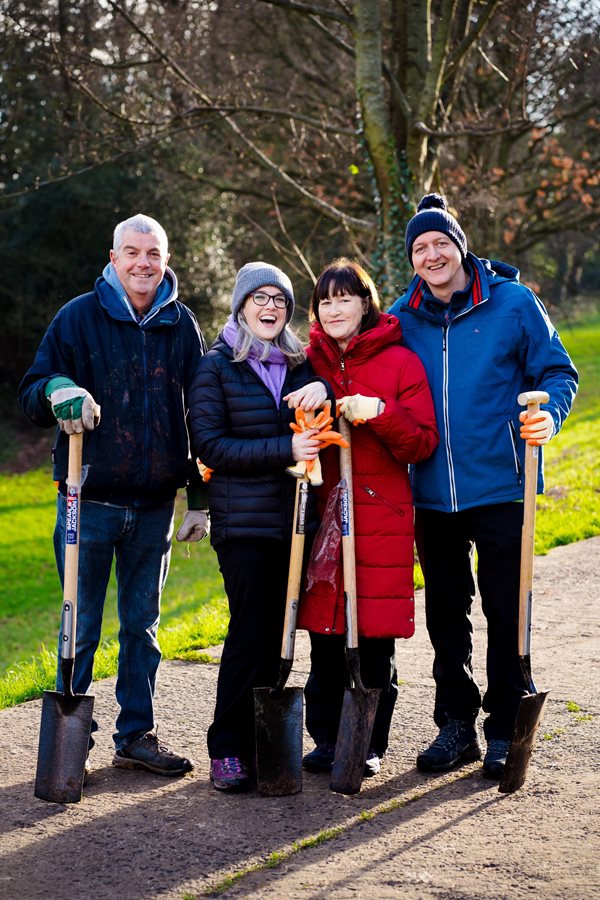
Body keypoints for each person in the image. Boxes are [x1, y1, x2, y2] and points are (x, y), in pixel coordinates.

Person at [388, 193, 579, 779]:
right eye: (420, 247)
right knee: (446, 612)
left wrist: (550, 415)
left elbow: (558, 370)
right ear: (412, 260)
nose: (431, 254)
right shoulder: (401, 316)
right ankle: (456, 725)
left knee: (505, 609)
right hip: (430, 492)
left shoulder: (514, 303)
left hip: (502, 483)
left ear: (461, 247)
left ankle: (504, 729)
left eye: (441, 242)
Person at [18, 213, 209, 777]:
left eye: (153, 253)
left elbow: (200, 411)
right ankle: (71, 738)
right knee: (81, 622)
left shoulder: (181, 323)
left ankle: (136, 734)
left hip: (154, 507)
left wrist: (198, 497)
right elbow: (32, 390)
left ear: (166, 259)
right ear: (113, 257)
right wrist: (58, 389)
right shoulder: (77, 318)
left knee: (142, 627)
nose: (143, 263)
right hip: (88, 501)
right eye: (133, 252)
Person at [188, 261, 336, 792]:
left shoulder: (299, 364)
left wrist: (325, 394)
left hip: (294, 524)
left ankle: (261, 739)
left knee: (281, 634)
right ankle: (225, 747)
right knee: (250, 633)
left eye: (280, 300)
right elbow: (210, 445)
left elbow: (325, 413)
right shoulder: (216, 366)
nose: (271, 307)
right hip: (244, 524)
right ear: (241, 305)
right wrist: (285, 450)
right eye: (261, 298)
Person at [297, 259, 439, 777]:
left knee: (373, 634)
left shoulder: (400, 362)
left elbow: (422, 441)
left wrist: (378, 411)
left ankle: (369, 739)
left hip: (380, 510)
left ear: (365, 303)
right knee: (324, 634)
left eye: (344, 298)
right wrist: (313, 399)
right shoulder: (304, 361)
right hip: (320, 513)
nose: (334, 309)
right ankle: (326, 737)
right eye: (325, 301)